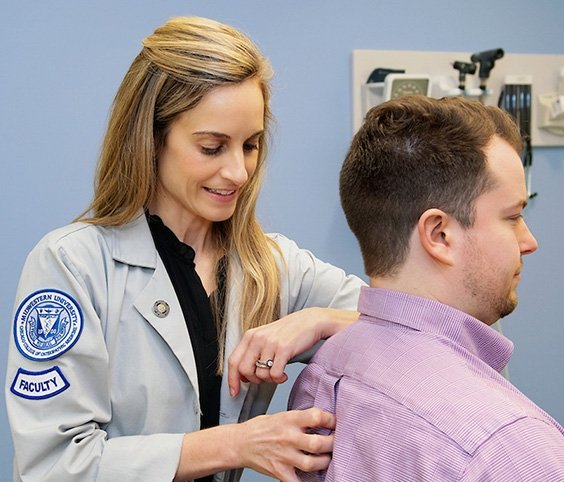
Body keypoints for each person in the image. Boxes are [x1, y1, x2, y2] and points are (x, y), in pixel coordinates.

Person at [5, 16, 365, 482]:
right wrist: (238, 444)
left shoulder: (273, 267)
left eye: (251, 145)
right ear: (152, 139)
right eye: (213, 147)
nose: (238, 172)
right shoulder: (73, 266)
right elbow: (53, 468)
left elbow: (421, 328)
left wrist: (321, 319)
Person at [289, 95, 564, 481]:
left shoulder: (323, 377)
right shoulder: (506, 449)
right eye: (514, 217)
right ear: (439, 234)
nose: (529, 240)